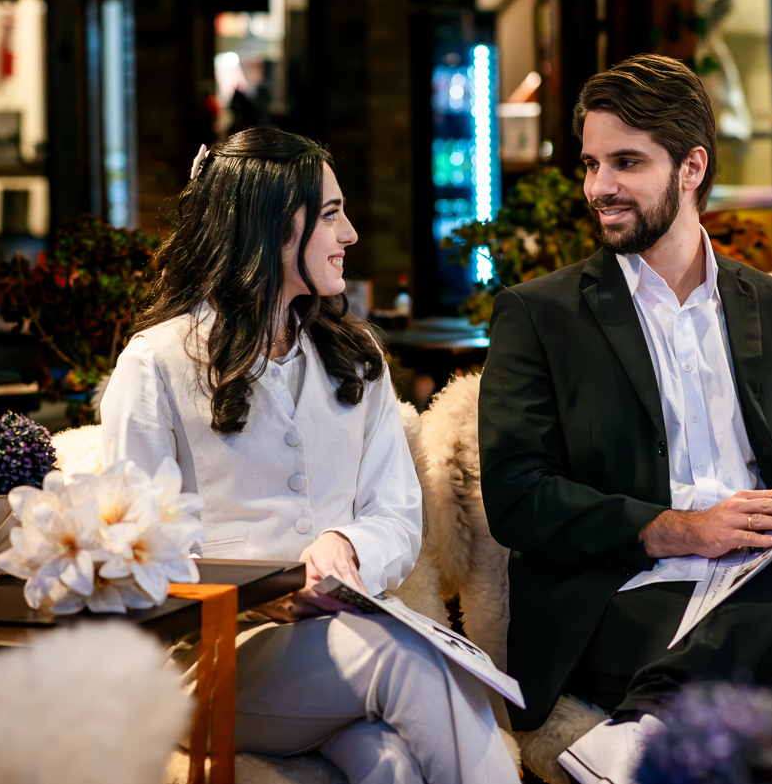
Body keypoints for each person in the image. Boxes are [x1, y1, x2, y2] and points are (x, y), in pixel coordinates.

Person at [478, 55, 772, 783]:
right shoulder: (539, 314)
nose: (598, 188)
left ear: (691, 167)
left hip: (764, 584)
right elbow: (516, 499)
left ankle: (651, 707)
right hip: (621, 592)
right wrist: (680, 527)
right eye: (591, 164)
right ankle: (665, 701)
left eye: (625, 162)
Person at [101, 127, 519, 784]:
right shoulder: (155, 364)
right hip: (204, 659)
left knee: (393, 767)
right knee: (413, 657)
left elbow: (398, 517)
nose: (350, 233)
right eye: (330, 215)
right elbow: (131, 550)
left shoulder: (357, 356)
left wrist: (345, 545)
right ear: (267, 225)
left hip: (344, 642)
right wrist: (252, 588)